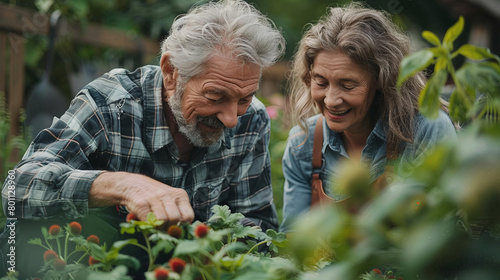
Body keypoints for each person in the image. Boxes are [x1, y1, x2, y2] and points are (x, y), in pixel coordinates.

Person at [1, 0, 285, 276]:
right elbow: (18, 188)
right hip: (96, 259)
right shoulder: (110, 103)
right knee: (22, 234)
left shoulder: (252, 119)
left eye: (245, 99)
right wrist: (122, 185)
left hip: (183, 266)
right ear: (171, 73)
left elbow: (256, 227)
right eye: (215, 96)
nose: (232, 118)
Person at [280, 2, 457, 233]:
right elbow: (293, 238)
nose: (331, 100)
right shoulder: (303, 144)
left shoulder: (426, 131)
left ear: (383, 83)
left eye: (348, 85)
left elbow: (441, 235)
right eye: (321, 82)